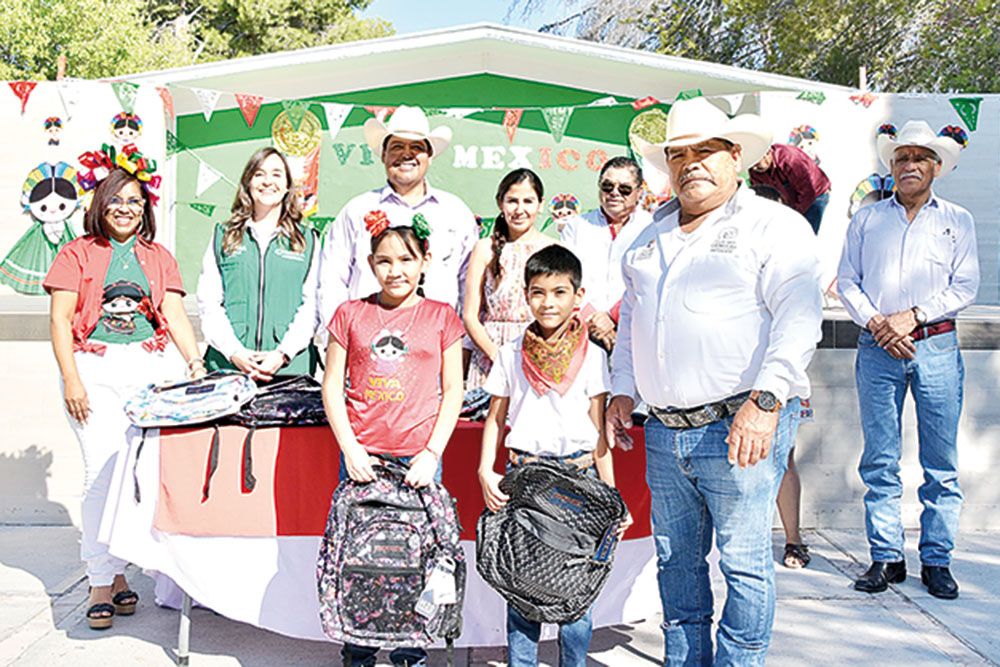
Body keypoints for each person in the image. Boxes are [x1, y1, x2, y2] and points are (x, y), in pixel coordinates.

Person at [607, 97, 822, 664]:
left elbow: (799, 317)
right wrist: (622, 387)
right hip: (663, 431)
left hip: (739, 425)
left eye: (706, 151)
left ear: (735, 156)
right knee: (677, 565)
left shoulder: (773, 225)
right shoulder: (647, 239)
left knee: (745, 565)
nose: (691, 163)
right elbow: (631, 318)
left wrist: (767, 400)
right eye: (679, 154)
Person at [43, 154, 205, 630]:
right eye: (115, 198)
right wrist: (72, 377)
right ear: (100, 203)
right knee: (101, 471)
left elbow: (173, 316)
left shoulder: (158, 256)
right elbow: (58, 319)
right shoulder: (76, 252)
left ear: (145, 208)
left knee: (138, 475)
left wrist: (194, 363)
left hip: (150, 366)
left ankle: (118, 574)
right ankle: (99, 580)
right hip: (93, 368)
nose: (125, 207)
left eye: (134, 200)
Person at [837, 121, 977, 600]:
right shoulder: (867, 220)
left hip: (935, 346)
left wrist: (911, 317)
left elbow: (965, 286)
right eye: (902, 158)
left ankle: (936, 559)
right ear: (891, 166)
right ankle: (887, 556)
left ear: (936, 167)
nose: (910, 165)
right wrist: (881, 324)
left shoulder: (956, 220)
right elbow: (848, 281)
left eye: (920, 158)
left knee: (941, 463)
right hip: (878, 350)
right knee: (880, 460)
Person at [478, 244, 630, 667]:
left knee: (576, 593)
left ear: (578, 297)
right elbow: (494, 419)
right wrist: (485, 471)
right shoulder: (509, 354)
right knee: (522, 587)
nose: (549, 302)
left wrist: (614, 500)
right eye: (539, 292)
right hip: (524, 478)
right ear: (526, 295)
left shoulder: (594, 357)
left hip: (579, 481)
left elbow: (600, 431)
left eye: (560, 292)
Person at [321, 220, 465, 666]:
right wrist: (350, 448)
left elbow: (454, 391)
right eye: (384, 260)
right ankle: (359, 649)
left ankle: (409, 651)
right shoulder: (350, 314)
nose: (395, 270)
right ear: (370, 265)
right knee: (362, 557)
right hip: (364, 461)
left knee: (416, 559)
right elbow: (331, 386)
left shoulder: (442, 317)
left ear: (423, 263)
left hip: (417, 461)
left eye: (405, 259)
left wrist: (431, 453)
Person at [318, 105, 478, 330]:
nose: (407, 154)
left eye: (416, 147)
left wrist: (464, 348)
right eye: (397, 146)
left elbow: (470, 286)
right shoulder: (356, 210)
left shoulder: (456, 212)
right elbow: (331, 281)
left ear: (429, 156)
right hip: (366, 340)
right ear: (383, 155)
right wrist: (337, 343)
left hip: (437, 345)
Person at [197, 147, 319, 381]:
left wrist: (283, 354)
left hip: (289, 370)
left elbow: (312, 305)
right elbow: (209, 303)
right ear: (248, 183)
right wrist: (235, 352)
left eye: (276, 174)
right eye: (259, 174)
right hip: (228, 367)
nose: (267, 181)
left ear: (286, 187)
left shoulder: (307, 240)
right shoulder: (224, 235)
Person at [464, 169, 557, 389]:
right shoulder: (484, 248)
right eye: (512, 201)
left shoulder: (553, 249)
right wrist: (499, 358)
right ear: (500, 203)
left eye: (528, 201)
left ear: (541, 204)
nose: (519, 209)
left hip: (538, 358)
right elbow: (470, 316)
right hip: (490, 360)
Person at [560, 157, 652, 351]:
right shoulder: (576, 227)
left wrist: (612, 316)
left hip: (635, 330)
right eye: (607, 186)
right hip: (582, 330)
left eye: (624, 189)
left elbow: (648, 280)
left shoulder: (652, 228)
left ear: (639, 192)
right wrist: (592, 320)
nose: (614, 193)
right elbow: (566, 279)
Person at [749, 142, 831, 234]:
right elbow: (762, 196)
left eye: (757, 163)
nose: (754, 167)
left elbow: (808, 192)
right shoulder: (755, 171)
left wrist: (794, 215)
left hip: (815, 196)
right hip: (792, 201)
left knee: (804, 234)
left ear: (767, 154)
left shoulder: (790, 159)